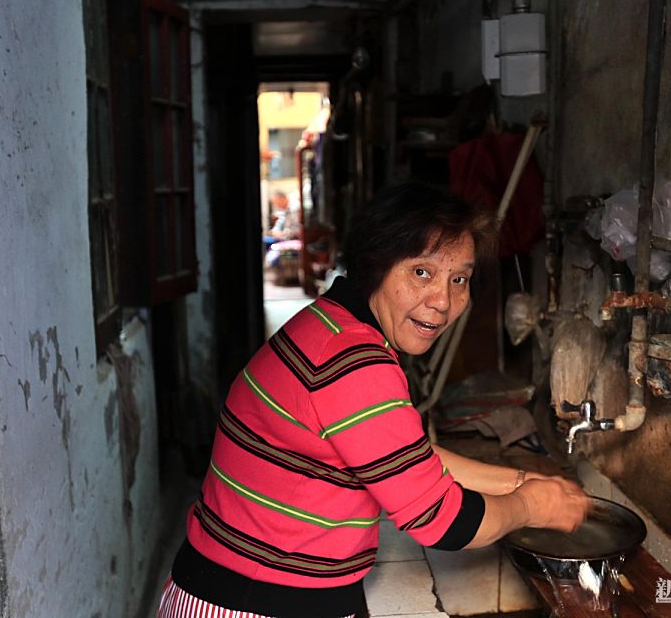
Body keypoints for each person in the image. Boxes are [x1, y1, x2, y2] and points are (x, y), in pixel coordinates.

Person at [157, 183, 591, 618]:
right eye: (421, 272)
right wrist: (531, 507)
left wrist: (518, 482)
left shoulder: (330, 325)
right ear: (376, 265)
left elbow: (404, 457)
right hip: (252, 605)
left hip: (229, 589)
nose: (443, 301)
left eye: (458, 279)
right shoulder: (355, 362)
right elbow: (442, 521)